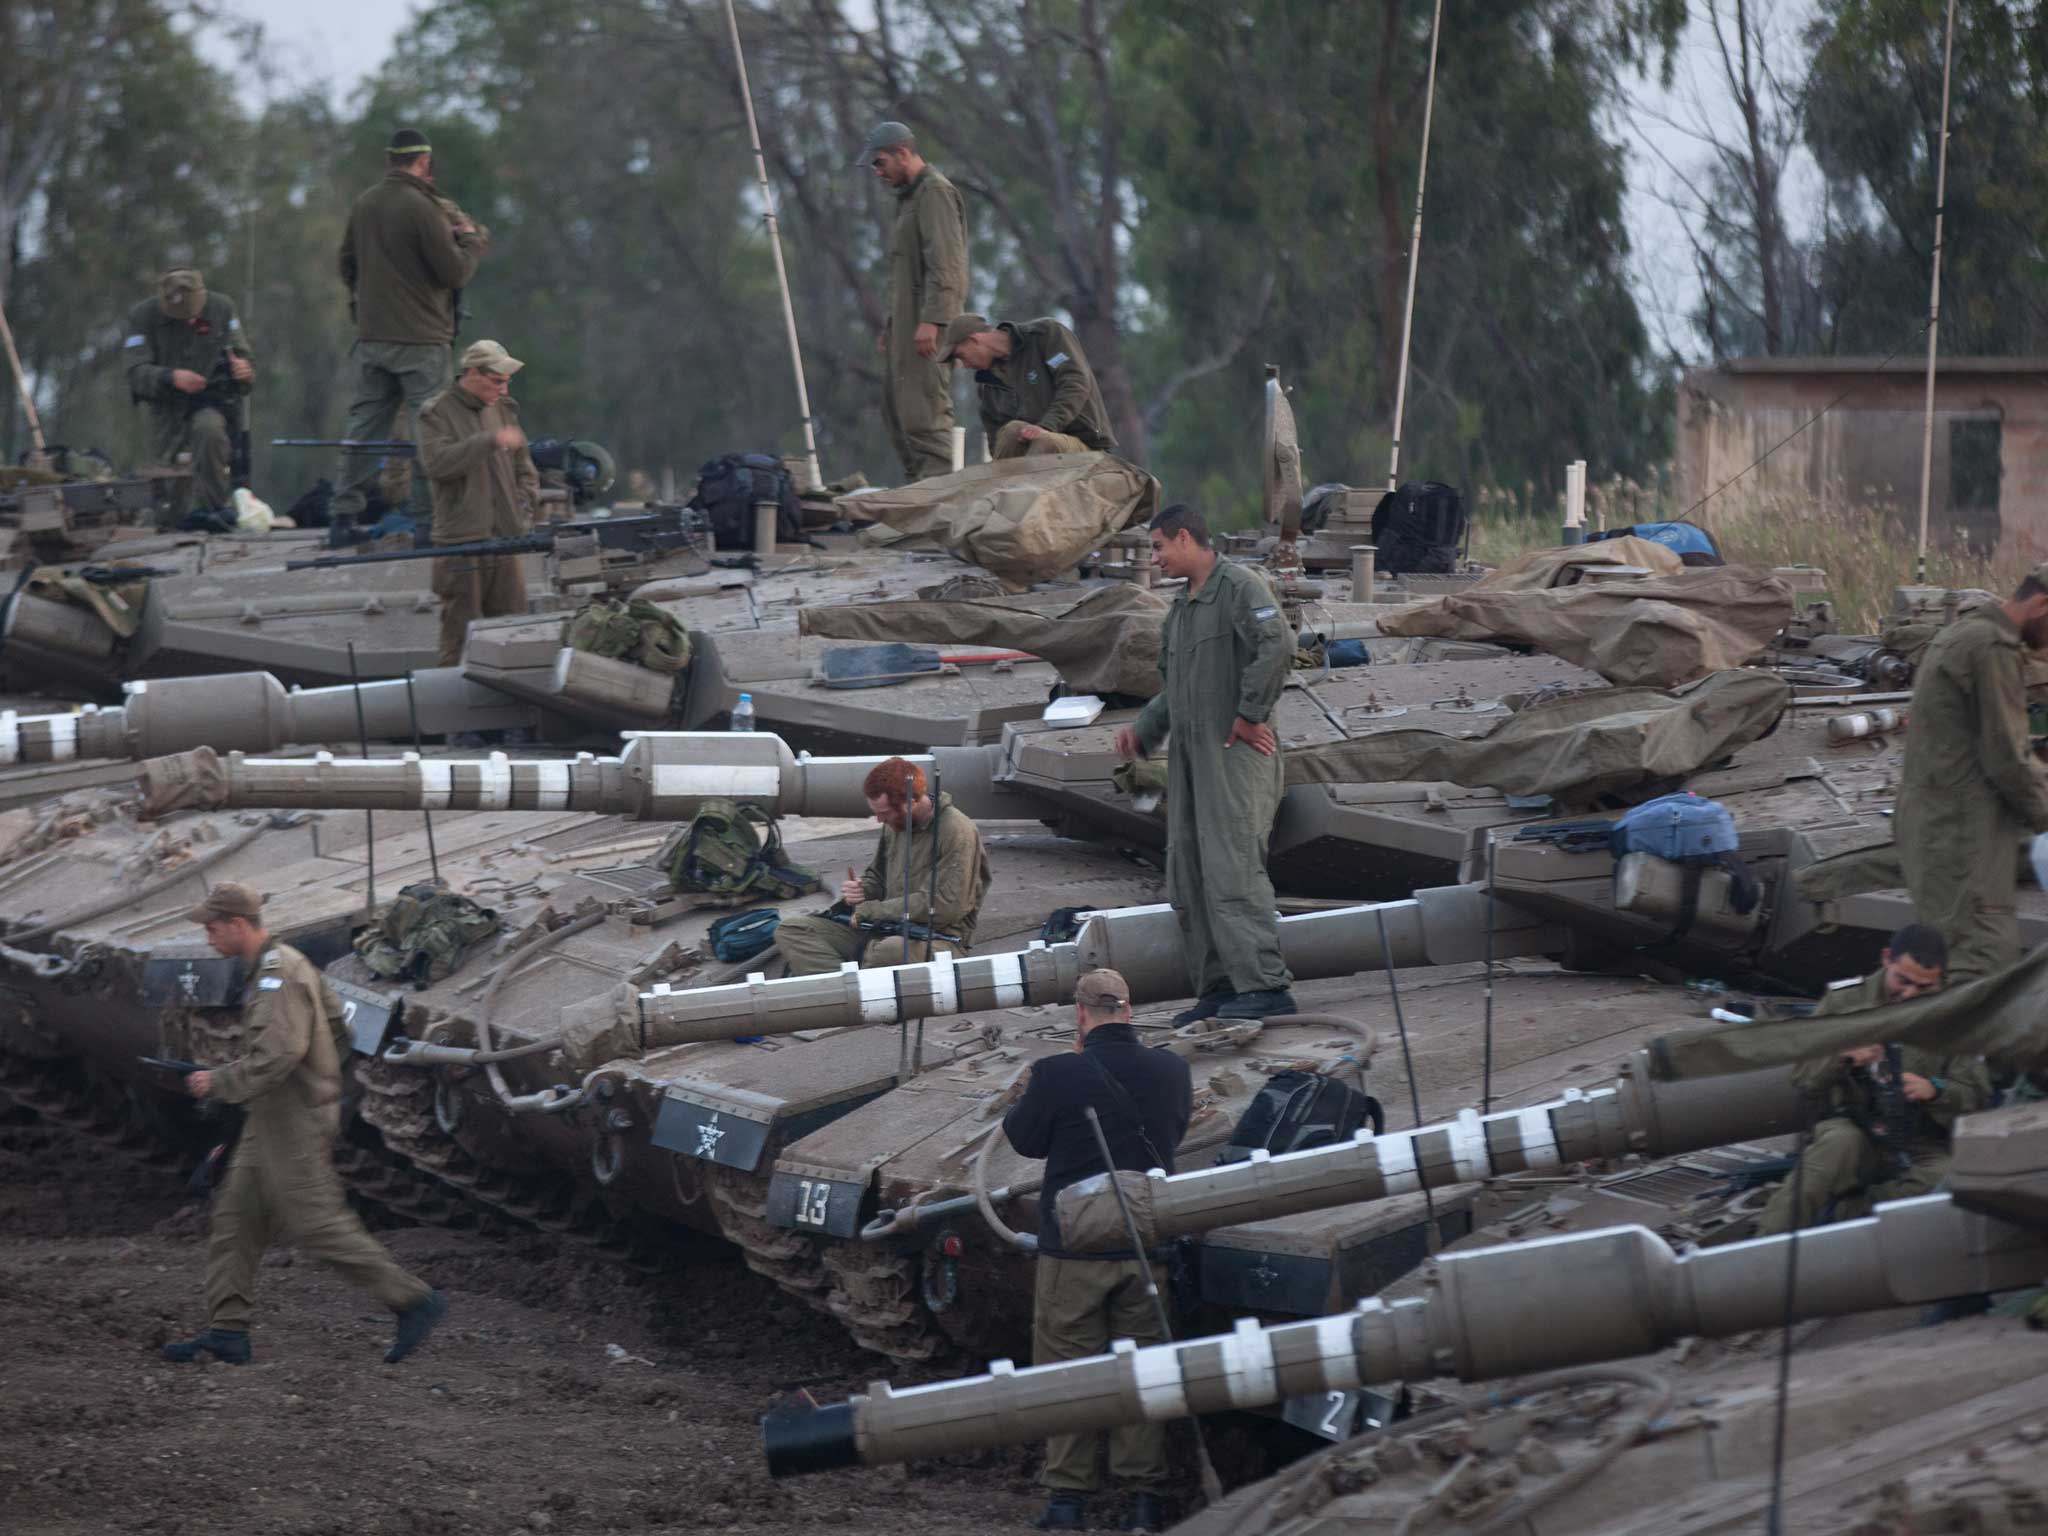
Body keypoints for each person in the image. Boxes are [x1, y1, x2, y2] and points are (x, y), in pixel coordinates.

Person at [163, 884, 446, 1366]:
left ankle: (413, 1301)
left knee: (316, 1225)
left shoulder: (279, 975)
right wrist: (313, 1080)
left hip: (291, 1122)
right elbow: (340, 1032)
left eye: (212, 928)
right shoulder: (279, 968)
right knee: (236, 1219)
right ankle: (227, 1330)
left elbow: (279, 1053)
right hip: (274, 1114)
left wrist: (221, 1082)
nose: (207, 938)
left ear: (237, 925)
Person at [1001, 968, 1193, 1534]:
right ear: (1129, 1010)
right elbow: (1174, 1134)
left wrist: (1027, 1092)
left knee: (1068, 1372)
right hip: (1145, 1242)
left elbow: (1025, 1140)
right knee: (1144, 1371)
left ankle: (1068, 1502)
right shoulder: (1172, 1069)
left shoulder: (1058, 1073)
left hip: (1074, 1250)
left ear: (1080, 1016)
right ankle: (1143, 1502)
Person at [1114, 504, 1297, 1023]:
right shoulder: (1183, 611)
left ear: (1187, 539)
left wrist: (1250, 714)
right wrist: (1142, 733)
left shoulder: (1238, 588)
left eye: (1159, 547)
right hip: (1191, 762)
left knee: (1232, 868)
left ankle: (1264, 985)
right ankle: (1218, 986)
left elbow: (1277, 643)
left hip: (1234, 760)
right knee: (1189, 871)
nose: (1157, 557)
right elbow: (1177, 690)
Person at [1756, 924, 1991, 1235]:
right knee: (1831, 1153)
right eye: (1903, 981)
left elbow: (1976, 1095)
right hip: (1853, 1126)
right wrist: (1842, 1057)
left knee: (1949, 1181)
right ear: (1886, 960)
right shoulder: (1844, 1002)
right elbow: (1804, 1079)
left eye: (1924, 988)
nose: (1909, 994)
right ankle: (1764, 1250)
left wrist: (1935, 1090)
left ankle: (1847, 1215)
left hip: (1920, 1141)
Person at [332, 126, 491, 530]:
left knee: (363, 430)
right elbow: (454, 272)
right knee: (431, 431)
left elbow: (346, 264)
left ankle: (342, 518)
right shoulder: (425, 209)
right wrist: (471, 241)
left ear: (391, 159)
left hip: (372, 339)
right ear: (423, 162)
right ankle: (425, 522)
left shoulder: (364, 204)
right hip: (422, 342)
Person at [1897, 569, 2048, 982]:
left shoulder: (1969, 633)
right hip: (1963, 842)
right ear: (2040, 606)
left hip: (1944, 830)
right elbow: (2010, 760)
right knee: (1975, 972)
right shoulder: (1992, 647)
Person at [776, 757, 992, 974]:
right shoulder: (896, 823)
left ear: (911, 802)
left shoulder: (956, 831)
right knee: (793, 930)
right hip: (886, 928)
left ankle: (856, 993)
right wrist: (863, 890)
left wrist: (872, 910)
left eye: (884, 813)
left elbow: (943, 906)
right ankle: (848, 992)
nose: (879, 820)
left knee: (889, 951)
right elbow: (878, 877)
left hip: (937, 940)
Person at [416, 338, 540, 666]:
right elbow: (437, 464)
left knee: (514, 626)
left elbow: (524, 468)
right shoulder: (437, 413)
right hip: (462, 542)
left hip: (505, 538)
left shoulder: (503, 409)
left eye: (506, 381)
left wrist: (524, 509)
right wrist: (488, 441)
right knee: (460, 633)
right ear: (472, 374)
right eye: (497, 381)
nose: (503, 388)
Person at [859, 121, 968, 482]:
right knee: (897, 414)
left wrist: (935, 322)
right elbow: (907, 278)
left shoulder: (934, 193)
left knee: (926, 420)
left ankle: (942, 512)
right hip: (906, 331)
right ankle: (921, 502)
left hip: (928, 333)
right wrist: (892, 328)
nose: (877, 172)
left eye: (880, 162)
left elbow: (947, 265)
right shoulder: (908, 199)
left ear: (902, 153)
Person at [122, 267, 254, 528]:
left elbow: (242, 354)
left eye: (193, 317)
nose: (190, 324)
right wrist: (171, 377)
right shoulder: (142, 317)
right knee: (169, 496)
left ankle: (215, 510)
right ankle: (170, 518)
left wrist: (244, 370)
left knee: (210, 430)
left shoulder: (222, 308)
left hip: (213, 400)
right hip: (167, 409)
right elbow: (135, 373)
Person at [941, 312, 1116, 461]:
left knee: (1044, 442)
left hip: (1085, 445)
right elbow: (997, 445)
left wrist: (1046, 427)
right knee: (1011, 432)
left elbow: (1075, 383)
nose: (964, 365)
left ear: (974, 340)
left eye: (961, 356)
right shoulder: (988, 387)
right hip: (1031, 453)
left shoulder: (1046, 335)